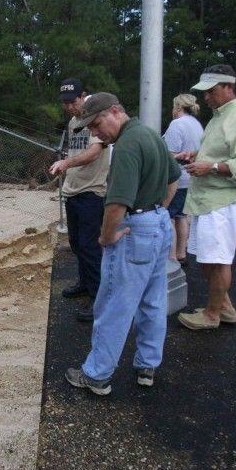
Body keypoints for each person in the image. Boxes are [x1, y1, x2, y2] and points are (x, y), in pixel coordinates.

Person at [64, 92, 180, 395]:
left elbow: (116, 204)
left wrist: (106, 236)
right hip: (158, 224)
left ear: (116, 112)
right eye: (89, 128)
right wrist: (160, 211)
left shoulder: (127, 145)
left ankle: (97, 374)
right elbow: (174, 179)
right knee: (153, 301)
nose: (94, 132)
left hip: (135, 229)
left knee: (114, 303)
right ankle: (147, 365)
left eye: (97, 124)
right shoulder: (150, 135)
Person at [174, 64, 236, 331]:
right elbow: (221, 152)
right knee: (206, 257)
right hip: (208, 199)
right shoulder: (219, 117)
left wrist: (212, 167)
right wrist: (197, 156)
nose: (206, 97)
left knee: (218, 260)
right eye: (204, 93)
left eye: (211, 91)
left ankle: (212, 314)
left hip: (224, 200)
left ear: (229, 87)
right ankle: (224, 307)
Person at [48, 78, 110, 321]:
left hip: (91, 193)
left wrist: (67, 162)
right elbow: (76, 151)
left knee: (91, 248)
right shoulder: (73, 122)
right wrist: (64, 166)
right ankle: (85, 284)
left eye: (72, 101)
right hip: (73, 191)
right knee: (77, 244)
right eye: (64, 102)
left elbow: (95, 152)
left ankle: (99, 301)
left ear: (84, 95)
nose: (68, 106)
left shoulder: (95, 118)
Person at [162, 93, 204, 266]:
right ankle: (181, 253)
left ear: (178, 108)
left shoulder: (176, 125)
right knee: (182, 216)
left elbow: (171, 155)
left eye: (173, 107)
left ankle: (170, 257)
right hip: (192, 178)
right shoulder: (197, 125)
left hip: (177, 179)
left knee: (168, 216)